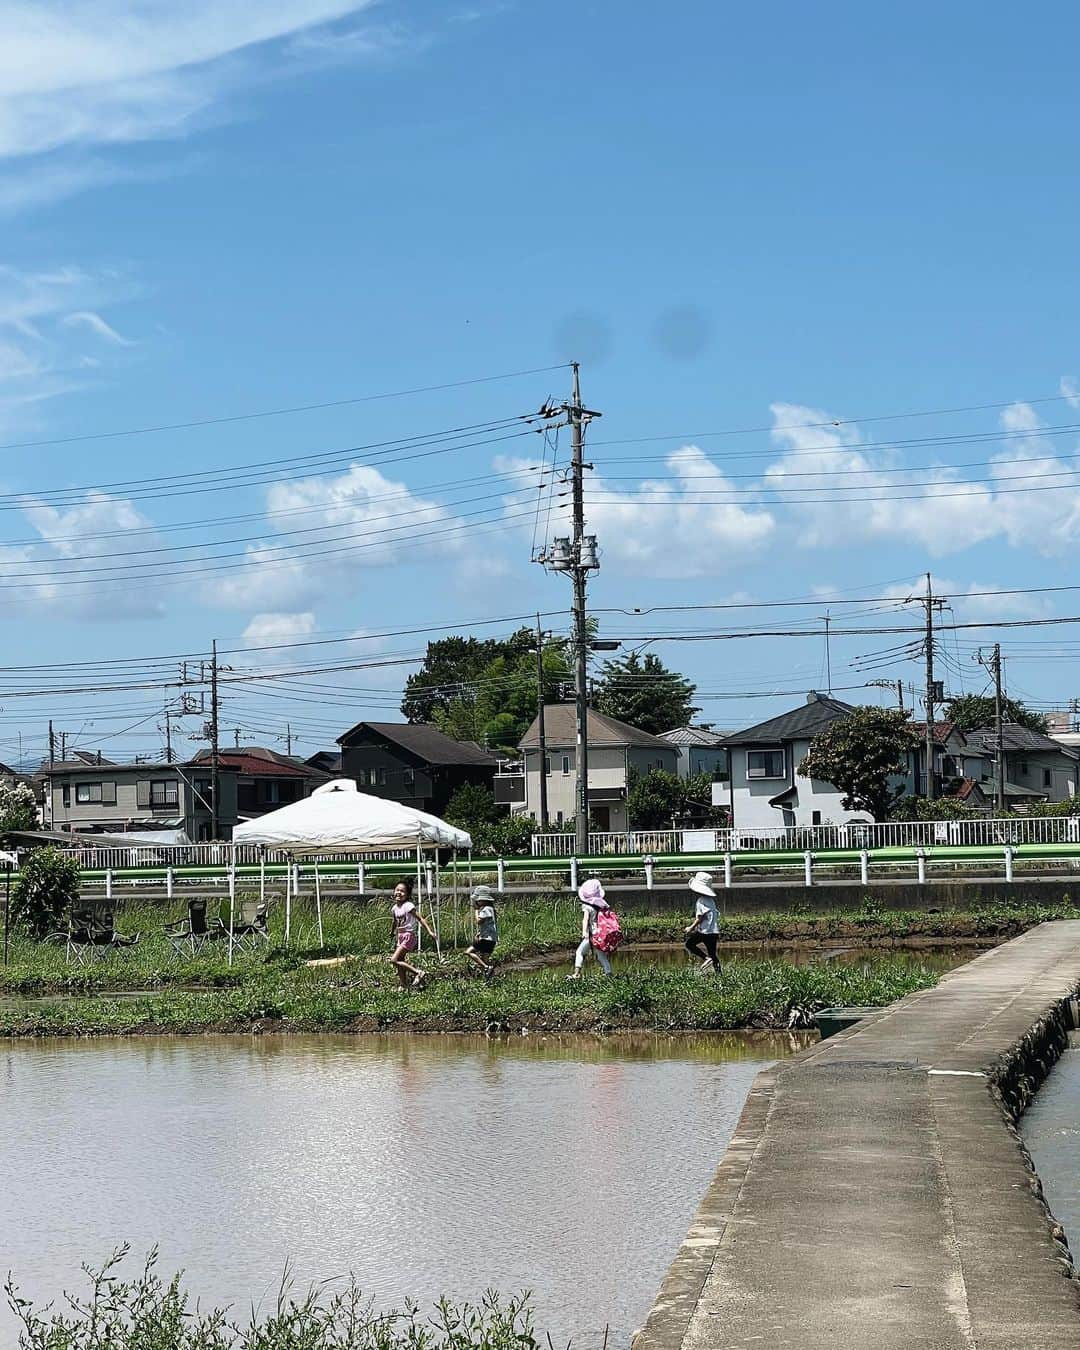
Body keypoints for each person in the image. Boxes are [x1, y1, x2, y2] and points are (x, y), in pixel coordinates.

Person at [388, 877, 436, 990]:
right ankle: (403, 984)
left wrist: (429, 931)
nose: (399, 893)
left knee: (394, 960)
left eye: (402, 891)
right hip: (400, 936)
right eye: (397, 890)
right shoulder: (394, 908)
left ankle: (418, 972)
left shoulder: (408, 906)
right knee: (400, 961)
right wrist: (392, 932)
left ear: (407, 894)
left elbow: (421, 919)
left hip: (409, 936)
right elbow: (395, 921)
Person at [567, 877, 613, 979]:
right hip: (601, 935)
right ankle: (609, 975)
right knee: (602, 957)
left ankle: (577, 974)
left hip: (591, 935)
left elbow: (585, 920)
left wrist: (584, 932)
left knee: (580, 952)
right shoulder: (603, 905)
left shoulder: (587, 907)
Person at [684, 871, 721, 973]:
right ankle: (719, 975)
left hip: (704, 932)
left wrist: (690, 928)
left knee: (689, 944)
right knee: (713, 954)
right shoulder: (711, 900)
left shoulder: (700, 901)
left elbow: (699, 918)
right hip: (714, 932)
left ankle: (705, 958)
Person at [464, 883, 498, 978]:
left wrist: (476, 911)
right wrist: (480, 933)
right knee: (484, 958)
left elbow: (479, 921)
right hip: (491, 939)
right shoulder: (491, 909)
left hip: (487, 939)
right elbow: (489, 925)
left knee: (469, 952)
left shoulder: (486, 909)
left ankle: (486, 967)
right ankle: (487, 977)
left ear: (482, 900)